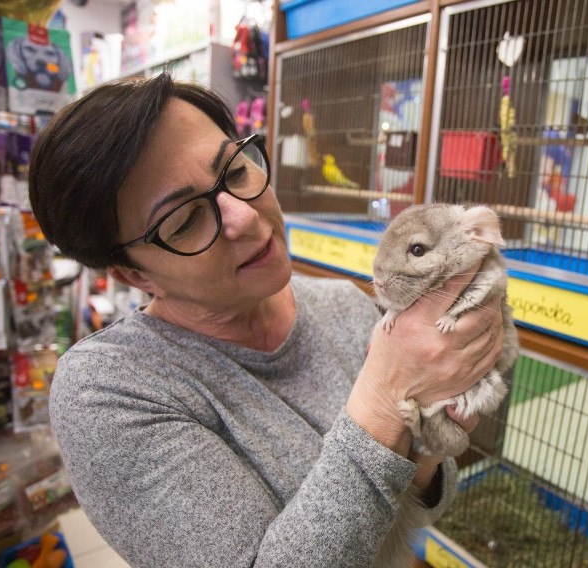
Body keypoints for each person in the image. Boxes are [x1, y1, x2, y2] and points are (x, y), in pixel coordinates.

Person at [28, 73, 505, 567]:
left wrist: (432, 439)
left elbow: (425, 505)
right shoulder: (108, 390)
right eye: (186, 220)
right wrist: (386, 397)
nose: (246, 217)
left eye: (235, 171)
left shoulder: (342, 304)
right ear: (133, 274)